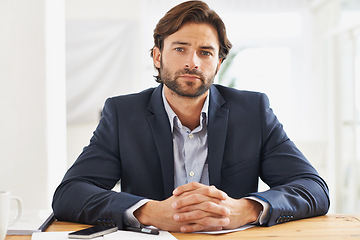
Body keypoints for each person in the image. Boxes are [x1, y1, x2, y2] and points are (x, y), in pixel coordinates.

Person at [52, 0, 330, 233]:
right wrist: (148, 212)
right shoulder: (123, 115)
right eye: (180, 48)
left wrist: (244, 209)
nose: (192, 62)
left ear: (219, 63)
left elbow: (313, 189)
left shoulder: (253, 111)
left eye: (205, 52)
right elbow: (70, 193)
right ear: (157, 56)